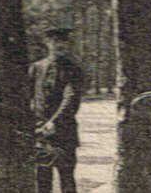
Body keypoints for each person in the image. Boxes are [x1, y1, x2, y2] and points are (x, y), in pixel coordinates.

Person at [29, 24, 84, 193]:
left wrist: (54, 121)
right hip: (40, 132)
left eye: (63, 41)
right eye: (54, 41)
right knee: (42, 178)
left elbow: (71, 98)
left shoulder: (73, 69)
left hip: (64, 130)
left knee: (66, 177)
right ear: (47, 43)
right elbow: (28, 96)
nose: (59, 45)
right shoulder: (36, 68)